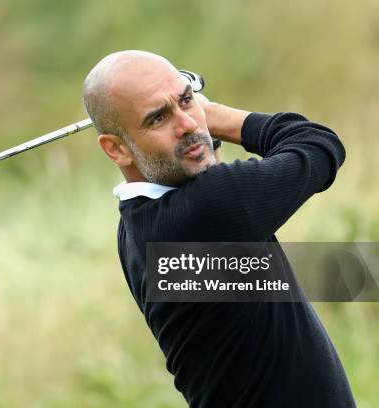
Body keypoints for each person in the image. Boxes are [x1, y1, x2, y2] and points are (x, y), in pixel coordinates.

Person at [82, 50, 356, 407]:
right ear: (117, 149)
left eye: (186, 100)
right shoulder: (209, 209)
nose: (188, 124)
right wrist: (216, 116)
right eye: (159, 118)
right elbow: (319, 145)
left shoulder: (135, 224)